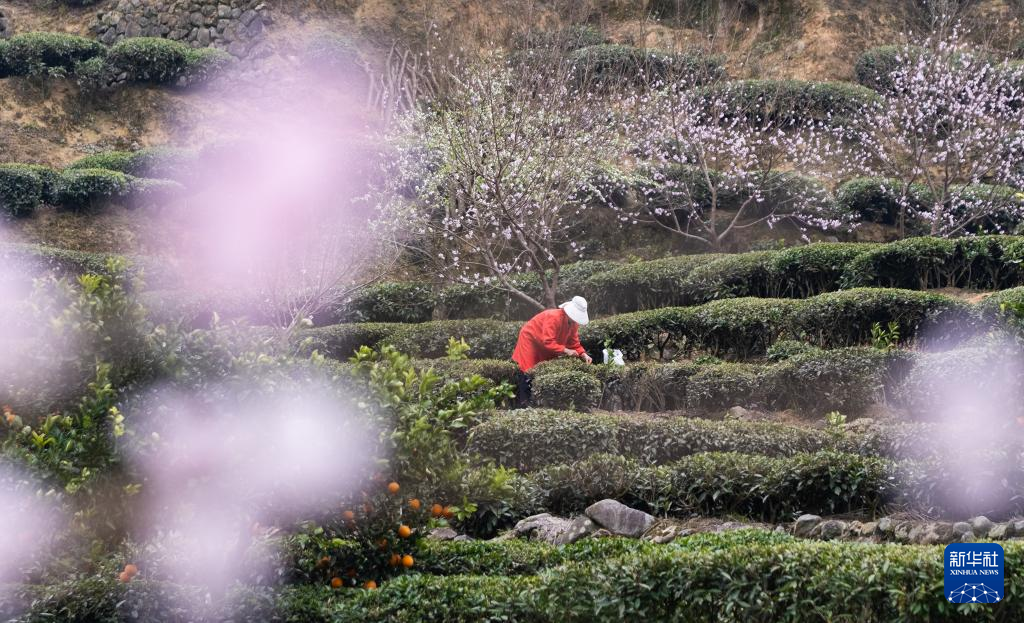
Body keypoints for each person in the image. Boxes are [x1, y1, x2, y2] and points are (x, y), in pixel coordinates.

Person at [511, 296, 592, 408]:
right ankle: (523, 405)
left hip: (544, 343)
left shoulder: (573, 323)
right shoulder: (554, 317)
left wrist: (583, 354)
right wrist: (565, 350)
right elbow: (548, 341)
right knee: (527, 371)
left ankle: (535, 403)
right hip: (530, 339)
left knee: (540, 370)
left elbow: (573, 342)